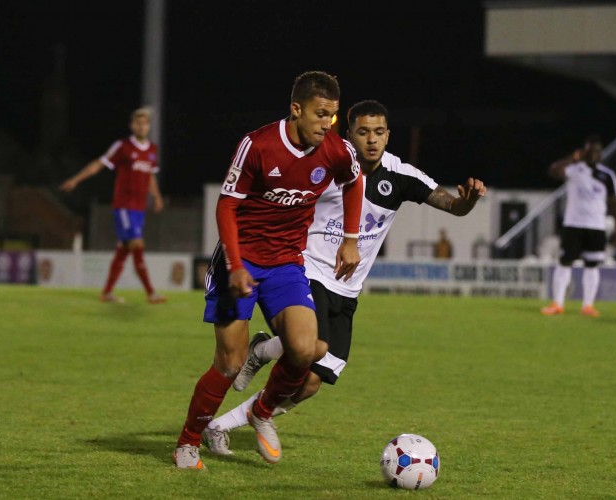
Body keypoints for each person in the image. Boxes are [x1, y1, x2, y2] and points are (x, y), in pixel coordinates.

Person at [200, 100, 486, 456]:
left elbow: (449, 204)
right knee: (305, 351)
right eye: (363, 132)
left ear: (387, 135)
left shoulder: (402, 175)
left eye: (379, 132)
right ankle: (265, 362)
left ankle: (222, 421)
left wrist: (468, 201)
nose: (371, 140)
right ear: (349, 133)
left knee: (310, 384)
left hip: (348, 290)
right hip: (308, 271)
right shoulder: (329, 161)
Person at [173, 71, 364, 469]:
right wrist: (236, 265)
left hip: (286, 266)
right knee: (228, 362)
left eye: (331, 115)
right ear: (296, 109)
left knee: (307, 349)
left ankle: (262, 410)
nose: (326, 123)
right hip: (237, 264)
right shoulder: (257, 145)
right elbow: (227, 206)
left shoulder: (335, 149)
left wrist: (350, 237)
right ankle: (188, 442)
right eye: (319, 114)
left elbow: (354, 181)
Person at [60, 107, 166, 304]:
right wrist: (76, 179)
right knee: (137, 244)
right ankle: (151, 293)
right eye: (138, 123)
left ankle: (107, 293)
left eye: (145, 123)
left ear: (148, 127)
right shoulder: (123, 147)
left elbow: (150, 174)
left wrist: (157, 196)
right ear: (132, 125)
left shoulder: (152, 150)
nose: (141, 126)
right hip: (124, 206)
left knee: (124, 250)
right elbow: (99, 164)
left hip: (139, 208)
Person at [541, 135, 616, 317]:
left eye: (596, 151)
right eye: (589, 150)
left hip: (596, 225)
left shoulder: (607, 175)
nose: (593, 154)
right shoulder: (574, 169)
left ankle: (587, 305)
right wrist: (572, 158)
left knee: (592, 265)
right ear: (584, 151)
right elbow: (554, 171)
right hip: (573, 224)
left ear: (600, 153)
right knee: (565, 262)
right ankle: (557, 303)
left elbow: (614, 202)